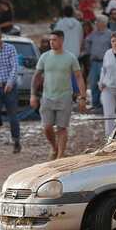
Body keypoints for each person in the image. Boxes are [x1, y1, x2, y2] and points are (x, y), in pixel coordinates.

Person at [32, 29, 86, 160]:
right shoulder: (44, 57)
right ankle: (54, 147)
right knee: (47, 127)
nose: (51, 42)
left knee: (62, 128)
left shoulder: (70, 57)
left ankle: (60, 155)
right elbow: (36, 76)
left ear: (62, 40)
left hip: (65, 96)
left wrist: (82, 97)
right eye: (50, 40)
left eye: (54, 40)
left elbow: (79, 77)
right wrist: (33, 95)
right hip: (47, 96)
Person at [83, 17, 113, 111]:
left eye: (98, 22)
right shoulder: (93, 34)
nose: (96, 23)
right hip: (94, 62)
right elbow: (87, 40)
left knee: (105, 84)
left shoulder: (110, 34)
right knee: (93, 84)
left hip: (105, 63)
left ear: (103, 23)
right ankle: (96, 104)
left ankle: (106, 105)